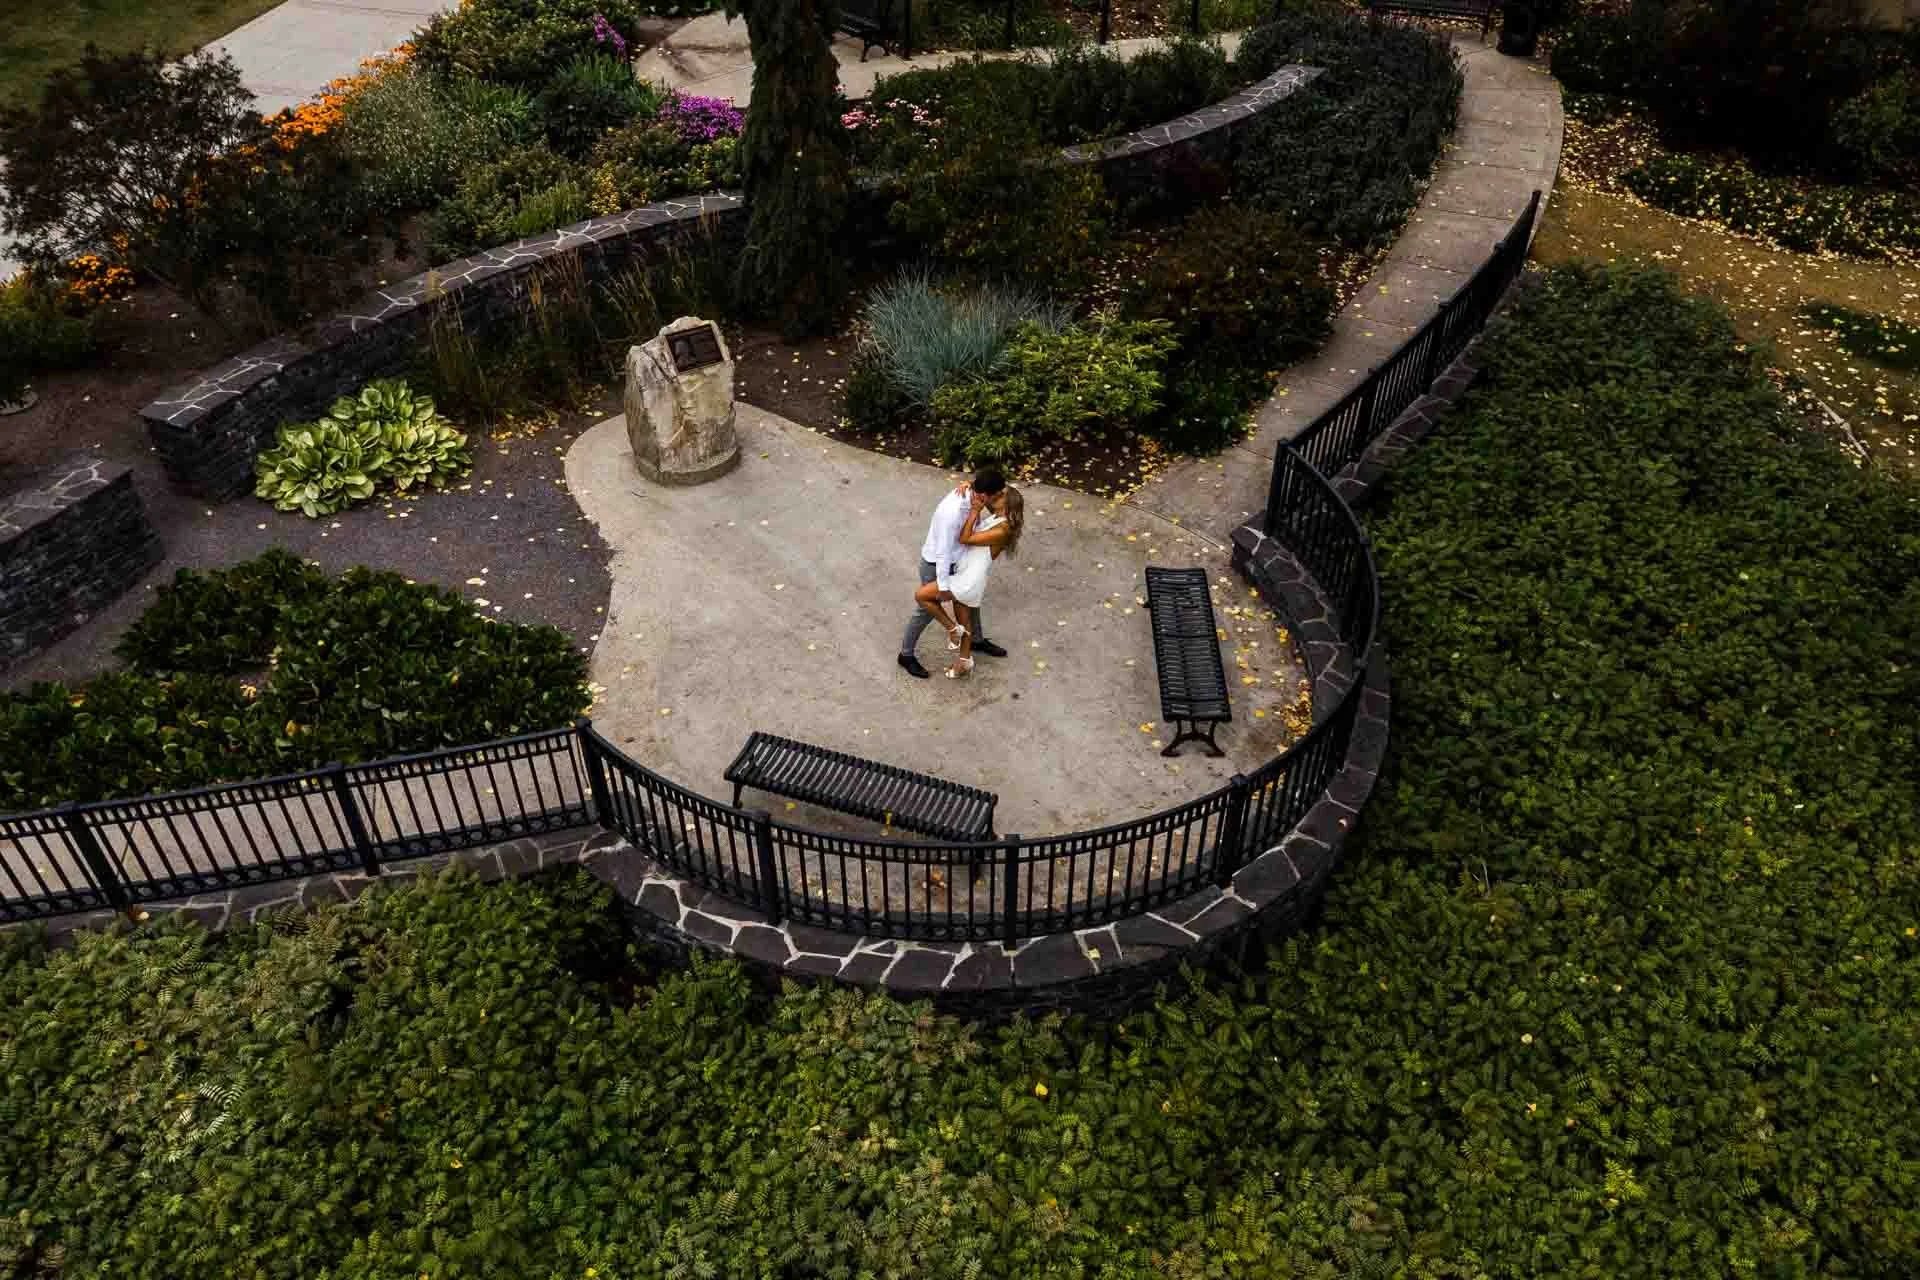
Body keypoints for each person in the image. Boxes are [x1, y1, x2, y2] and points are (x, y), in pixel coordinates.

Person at [897, 469, 1012, 678]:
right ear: (985, 496)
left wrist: (969, 482)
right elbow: (942, 553)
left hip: (958, 561)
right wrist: (943, 587)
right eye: (996, 497)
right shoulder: (952, 511)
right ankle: (905, 655)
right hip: (937, 565)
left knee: (970, 604)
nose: (996, 502)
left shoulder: (976, 496)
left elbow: (983, 489)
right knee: (926, 609)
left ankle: (975, 640)